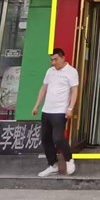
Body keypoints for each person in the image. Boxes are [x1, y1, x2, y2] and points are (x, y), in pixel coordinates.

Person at [32, 48, 79, 176]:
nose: (53, 62)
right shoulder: (50, 71)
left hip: (60, 111)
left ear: (63, 58)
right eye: (52, 60)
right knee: (45, 139)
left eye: (56, 59)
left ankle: (69, 159)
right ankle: (53, 164)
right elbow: (44, 88)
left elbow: (74, 91)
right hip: (47, 110)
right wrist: (37, 106)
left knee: (58, 138)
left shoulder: (71, 72)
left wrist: (70, 108)